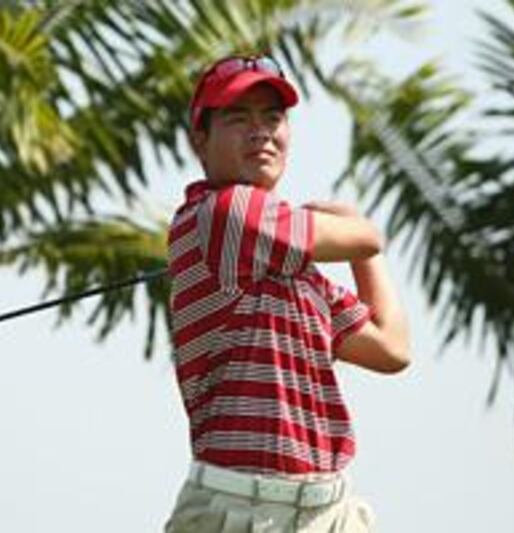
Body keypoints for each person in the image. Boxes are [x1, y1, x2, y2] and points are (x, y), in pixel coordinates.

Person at [164, 54, 410, 532]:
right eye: (238, 119)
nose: (261, 132)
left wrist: (366, 256)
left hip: (329, 511)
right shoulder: (223, 210)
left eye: (272, 118)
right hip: (238, 511)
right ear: (200, 141)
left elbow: (391, 348)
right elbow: (366, 235)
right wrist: (357, 229)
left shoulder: (299, 273)